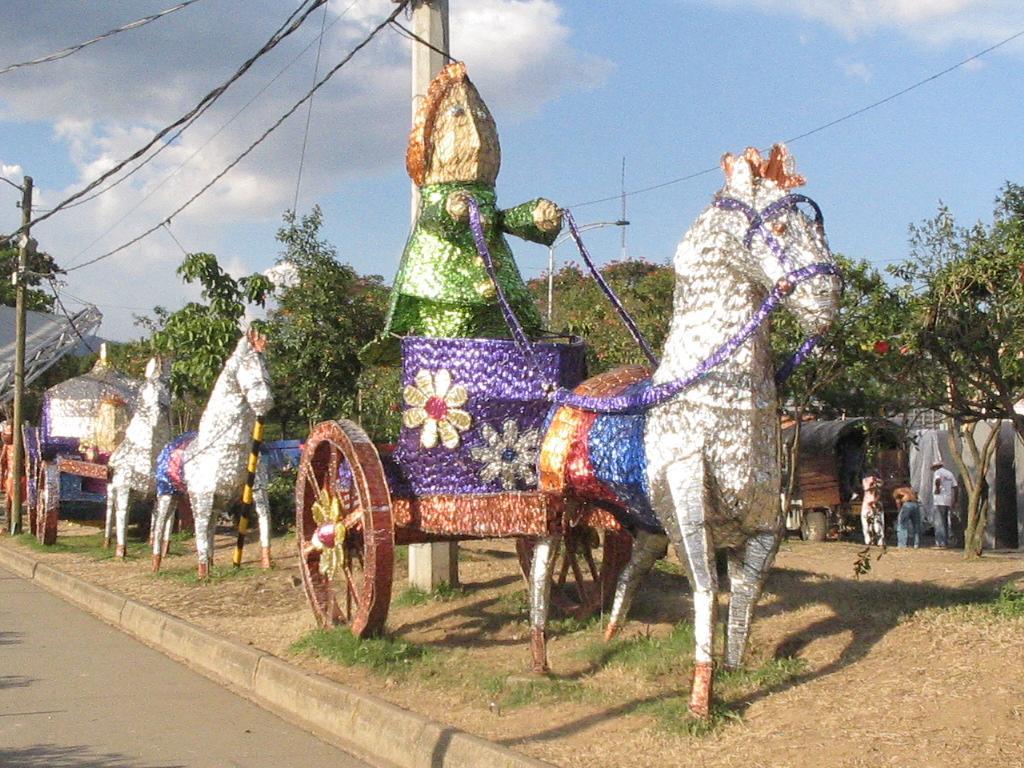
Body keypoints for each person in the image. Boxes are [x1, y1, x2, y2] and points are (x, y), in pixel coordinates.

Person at [360, 61, 562, 365]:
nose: (477, 136)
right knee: (452, 357)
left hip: (497, 296)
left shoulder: (485, 196)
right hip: (444, 291)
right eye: (459, 116)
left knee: (502, 357)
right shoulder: (438, 193)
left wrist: (535, 217)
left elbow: (499, 219)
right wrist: (451, 209)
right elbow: (433, 219)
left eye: (481, 118)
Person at [931, 460, 959, 548]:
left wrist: (937, 489)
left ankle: (940, 542)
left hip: (939, 500)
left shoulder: (938, 472)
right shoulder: (949, 473)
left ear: (936, 466)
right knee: (945, 521)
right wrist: (955, 500)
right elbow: (955, 486)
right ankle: (946, 541)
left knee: (939, 521)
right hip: (948, 500)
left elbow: (938, 480)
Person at [892, 484, 921, 549]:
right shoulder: (911, 490)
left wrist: (899, 511)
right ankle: (916, 544)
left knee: (902, 525)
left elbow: (898, 501)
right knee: (916, 525)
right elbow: (916, 497)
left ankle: (902, 544)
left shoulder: (897, 490)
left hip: (907, 504)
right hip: (915, 504)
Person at [860, 470, 884, 546]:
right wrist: (872, 483)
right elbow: (867, 488)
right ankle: (868, 540)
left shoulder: (878, 482)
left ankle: (880, 541)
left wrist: (875, 502)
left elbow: (879, 490)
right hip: (866, 504)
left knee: (878, 525)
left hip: (876, 505)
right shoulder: (865, 480)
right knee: (866, 524)